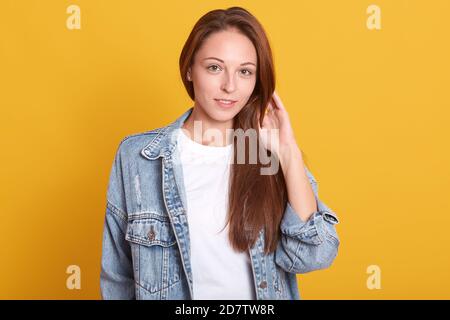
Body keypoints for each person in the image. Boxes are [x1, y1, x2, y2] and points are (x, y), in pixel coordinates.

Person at [100, 6, 340, 300]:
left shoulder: (268, 155)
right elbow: (118, 277)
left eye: (245, 72)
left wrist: (288, 153)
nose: (229, 86)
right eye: (214, 67)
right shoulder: (138, 157)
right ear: (189, 69)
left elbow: (314, 255)